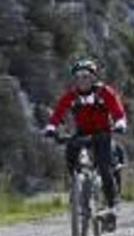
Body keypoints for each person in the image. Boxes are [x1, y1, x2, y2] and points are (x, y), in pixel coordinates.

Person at [41, 59, 128, 211]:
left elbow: (117, 111)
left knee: (104, 167)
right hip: (82, 132)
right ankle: (76, 187)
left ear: (93, 77)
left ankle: (112, 203)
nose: (82, 80)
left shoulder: (104, 92)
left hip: (103, 132)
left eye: (86, 76)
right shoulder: (71, 96)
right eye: (79, 76)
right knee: (70, 152)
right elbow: (58, 113)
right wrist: (51, 127)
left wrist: (120, 123)